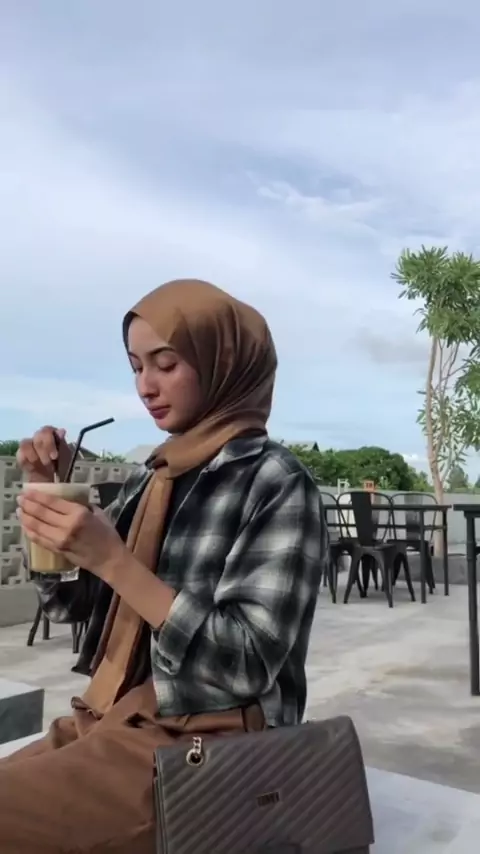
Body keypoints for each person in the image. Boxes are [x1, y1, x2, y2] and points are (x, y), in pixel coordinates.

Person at [0, 279, 326, 853]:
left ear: (223, 362)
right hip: (112, 716)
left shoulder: (275, 481)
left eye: (166, 363)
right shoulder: (150, 479)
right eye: (135, 367)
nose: (146, 386)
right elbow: (70, 606)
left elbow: (248, 665)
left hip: (209, 743)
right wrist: (47, 497)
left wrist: (115, 561)